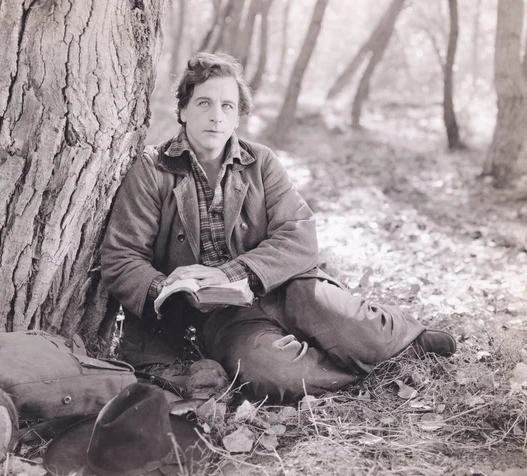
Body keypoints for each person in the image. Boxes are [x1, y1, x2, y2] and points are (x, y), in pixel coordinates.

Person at [101, 52, 456, 403]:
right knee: (272, 375)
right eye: (204, 103)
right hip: (221, 318)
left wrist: (231, 273)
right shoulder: (152, 169)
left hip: (288, 288)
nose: (216, 116)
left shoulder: (261, 161)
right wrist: (168, 287)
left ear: (237, 116)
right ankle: (373, 360)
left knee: (363, 334)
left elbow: (299, 235)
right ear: (182, 111)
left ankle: (402, 337)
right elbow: (121, 257)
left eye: (227, 106)